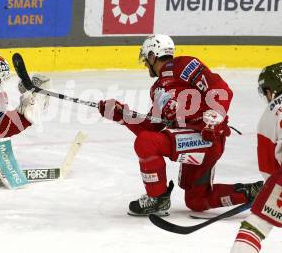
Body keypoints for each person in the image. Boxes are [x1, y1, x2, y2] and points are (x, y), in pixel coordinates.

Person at [98, 34, 263, 216]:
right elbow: (153, 126)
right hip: (193, 142)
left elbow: (220, 88)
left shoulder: (182, 65)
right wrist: (122, 115)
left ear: (153, 56)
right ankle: (255, 192)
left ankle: (157, 198)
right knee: (196, 201)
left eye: (147, 59)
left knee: (146, 142)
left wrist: (214, 118)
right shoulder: (158, 89)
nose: (146, 64)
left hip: (207, 137)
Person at [230, 62, 282, 253]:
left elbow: (269, 167)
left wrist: (268, 190)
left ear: (272, 90)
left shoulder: (273, 111)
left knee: (254, 227)